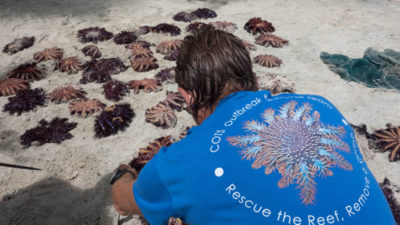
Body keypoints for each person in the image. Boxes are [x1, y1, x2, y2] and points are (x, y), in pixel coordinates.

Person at [111, 26, 397, 225]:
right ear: (254, 79)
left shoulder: (176, 164)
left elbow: (124, 202)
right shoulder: (321, 105)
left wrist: (122, 176)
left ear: (187, 96)